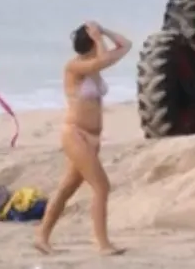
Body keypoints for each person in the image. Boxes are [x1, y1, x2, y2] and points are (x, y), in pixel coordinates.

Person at [34, 21, 132, 256]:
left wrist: (104, 30)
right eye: (97, 42)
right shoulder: (75, 67)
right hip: (75, 133)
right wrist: (99, 38)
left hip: (93, 138)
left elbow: (126, 45)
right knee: (101, 186)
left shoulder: (94, 67)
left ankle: (41, 236)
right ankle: (103, 244)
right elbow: (103, 59)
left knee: (67, 188)